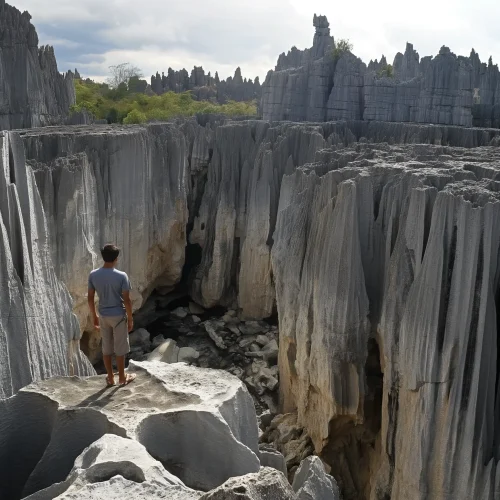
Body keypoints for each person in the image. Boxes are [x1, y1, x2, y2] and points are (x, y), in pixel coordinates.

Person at [88, 244, 136, 387]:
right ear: (116, 258)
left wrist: (94, 316)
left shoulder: (93, 274)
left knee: (106, 347)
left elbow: (90, 298)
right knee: (120, 348)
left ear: (103, 257)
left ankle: (110, 377)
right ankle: (122, 377)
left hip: (103, 315)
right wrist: (130, 318)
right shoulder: (122, 276)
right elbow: (126, 300)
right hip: (119, 316)